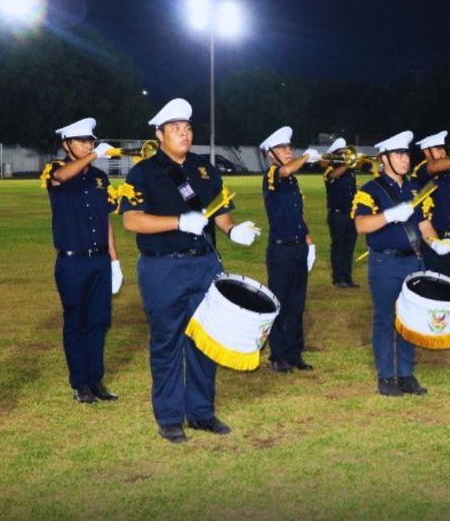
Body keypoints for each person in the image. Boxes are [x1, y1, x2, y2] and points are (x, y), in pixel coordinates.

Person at [120, 98, 262, 443]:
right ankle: (170, 417)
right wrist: (179, 221)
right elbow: (131, 219)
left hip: (203, 265)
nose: (184, 134)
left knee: (204, 340)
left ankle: (201, 413)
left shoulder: (204, 168)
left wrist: (233, 230)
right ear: (159, 134)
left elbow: (220, 211)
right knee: (167, 342)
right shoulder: (144, 172)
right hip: (162, 269)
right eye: (175, 129)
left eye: (187, 128)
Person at [352, 131, 450, 396]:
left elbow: (424, 223)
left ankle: (406, 374)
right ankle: (386, 376)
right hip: (385, 263)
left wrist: (435, 242)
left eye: (406, 154)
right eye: (399, 154)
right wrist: (390, 215)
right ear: (384, 158)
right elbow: (361, 225)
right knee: (385, 319)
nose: (405, 159)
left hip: (413, 261)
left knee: (410, 319)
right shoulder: (370, 190)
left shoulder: (415, 189)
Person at [41, 118, 121, 404]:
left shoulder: (100, 178)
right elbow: (62, 178)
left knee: (99, 321)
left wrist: (114, 259)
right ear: (66, 145)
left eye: (91, 141)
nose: (88, 145)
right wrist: (94, 155)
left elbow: (106, 219)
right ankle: (79, 383)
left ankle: (95, 379)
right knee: (76, 321)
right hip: (71, 262)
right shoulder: (54, 169)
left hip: (99, 259)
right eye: (81, 141)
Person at [259, 126, 320, 372]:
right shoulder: (273, 174)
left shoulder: (293, 181)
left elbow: (299, 215)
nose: (288, 151)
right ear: (270, 154)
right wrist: (305, 157)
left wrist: (310, 242)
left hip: (297, 248)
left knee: (297, 302)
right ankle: (278, 355)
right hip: (281, 250)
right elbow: (285, 169)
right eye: (282, 148)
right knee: (279, 302)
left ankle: (295, 353)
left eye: (289, 147)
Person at [410, 131, 450, 276]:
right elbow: (434, 167)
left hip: (448, 236)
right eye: (437, 149)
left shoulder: (447, 174)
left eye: (443, 148)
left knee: (443, 282)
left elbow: (448, 207)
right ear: (426, 152)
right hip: (429, 237)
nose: (442, 152)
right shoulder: (422, 169)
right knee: (428, 283)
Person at [322, 138, 362, 288]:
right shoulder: (330, 168)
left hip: (351, 213)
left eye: (346, 152)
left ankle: (347, 277)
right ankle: (338, 279)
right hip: (337, 214)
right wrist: (348, 164)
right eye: (342, 152)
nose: (345, 154)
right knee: (338, 246)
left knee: (349, 247)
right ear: (335, 153)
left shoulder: (350, 171)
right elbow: (332, 176)